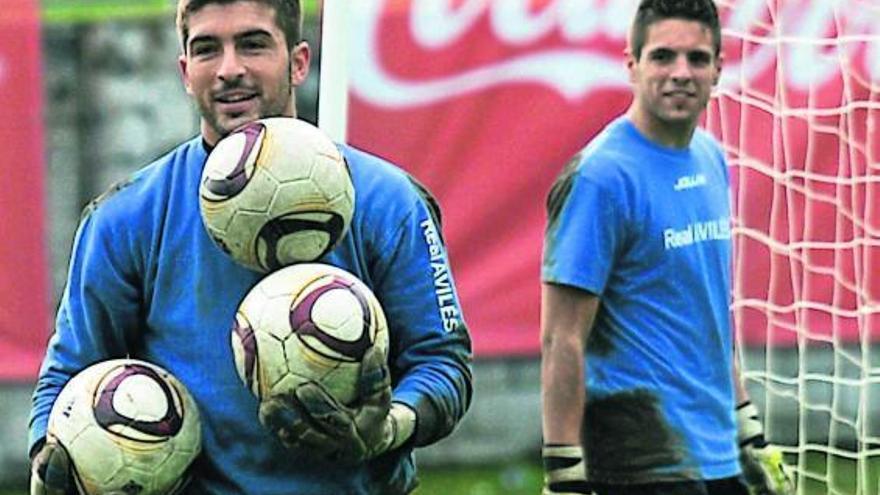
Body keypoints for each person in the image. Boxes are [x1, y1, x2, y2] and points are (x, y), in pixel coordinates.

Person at [28, 0, 473, 493]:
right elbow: (69, 376)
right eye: (206, 50)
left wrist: (387, 427)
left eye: (253, 44)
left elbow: (442, 363)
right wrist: (50, 463)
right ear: (185, 71)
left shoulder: (388, 201)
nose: (229, 70)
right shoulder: (125, 217)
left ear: (299, 61)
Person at [539, 1, 793, 494]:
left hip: (718, 453)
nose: (681, 73)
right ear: (631, 64)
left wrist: (748, 427)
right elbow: (561, 337)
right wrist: (564, 472)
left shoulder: (712, 158)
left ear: (719, 69)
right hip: (640, 458)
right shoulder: (601, 177)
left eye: (697, 59)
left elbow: (709, 313)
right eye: (662, 57)